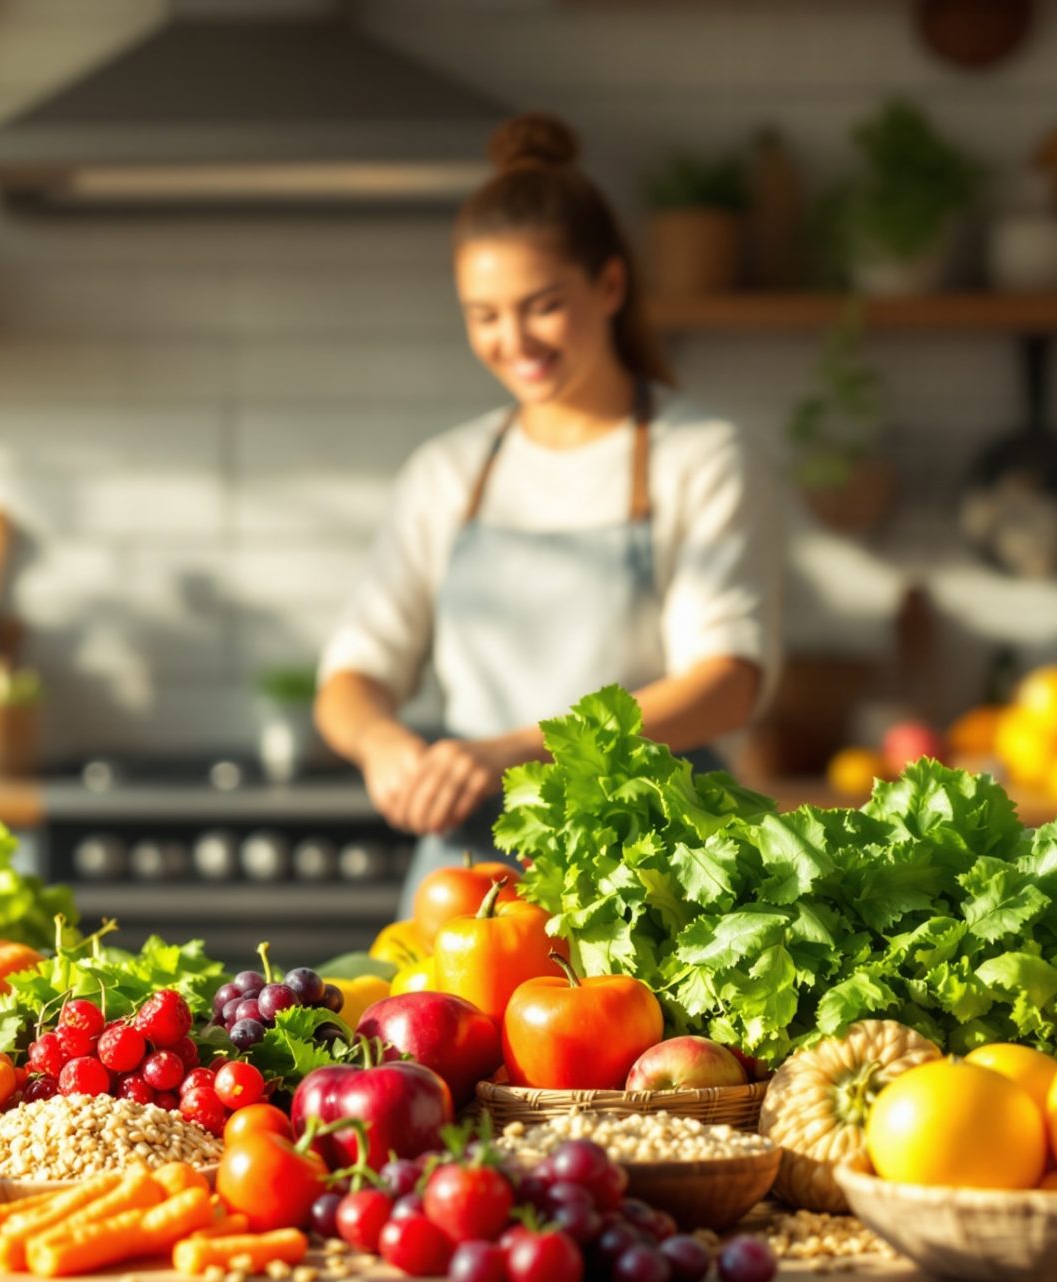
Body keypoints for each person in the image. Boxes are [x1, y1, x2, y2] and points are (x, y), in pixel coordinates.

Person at [314, 112, 781, 911]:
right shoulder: (448, 471)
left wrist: (521, 751)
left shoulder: (700, 455)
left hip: (657, 871)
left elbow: (727, 683)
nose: (514, 340)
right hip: (471, 878)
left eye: (541, 305)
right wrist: (384, 743)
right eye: (484, 315)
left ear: (609, 285)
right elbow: (350, 678)